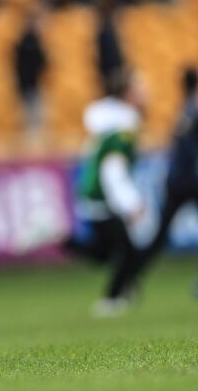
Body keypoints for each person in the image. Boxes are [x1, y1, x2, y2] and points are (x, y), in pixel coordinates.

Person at [71, 69, 148, 317]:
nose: (146, 91)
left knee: (107, 251)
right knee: (125, 251)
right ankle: (112, 300)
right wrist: (130, 202)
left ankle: (124, 291)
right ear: (128, 93)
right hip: (105, 193)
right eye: (140, 87)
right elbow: (113, 166)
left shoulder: (110, 121)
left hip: (93, 188)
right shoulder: (125, 124)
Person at [137, 67, 198, 289]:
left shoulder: (182, 109)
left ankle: (135, 272)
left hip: (175, 180)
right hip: (191, 180)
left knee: (160, 233)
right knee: (161, 232)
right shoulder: (194, 109)